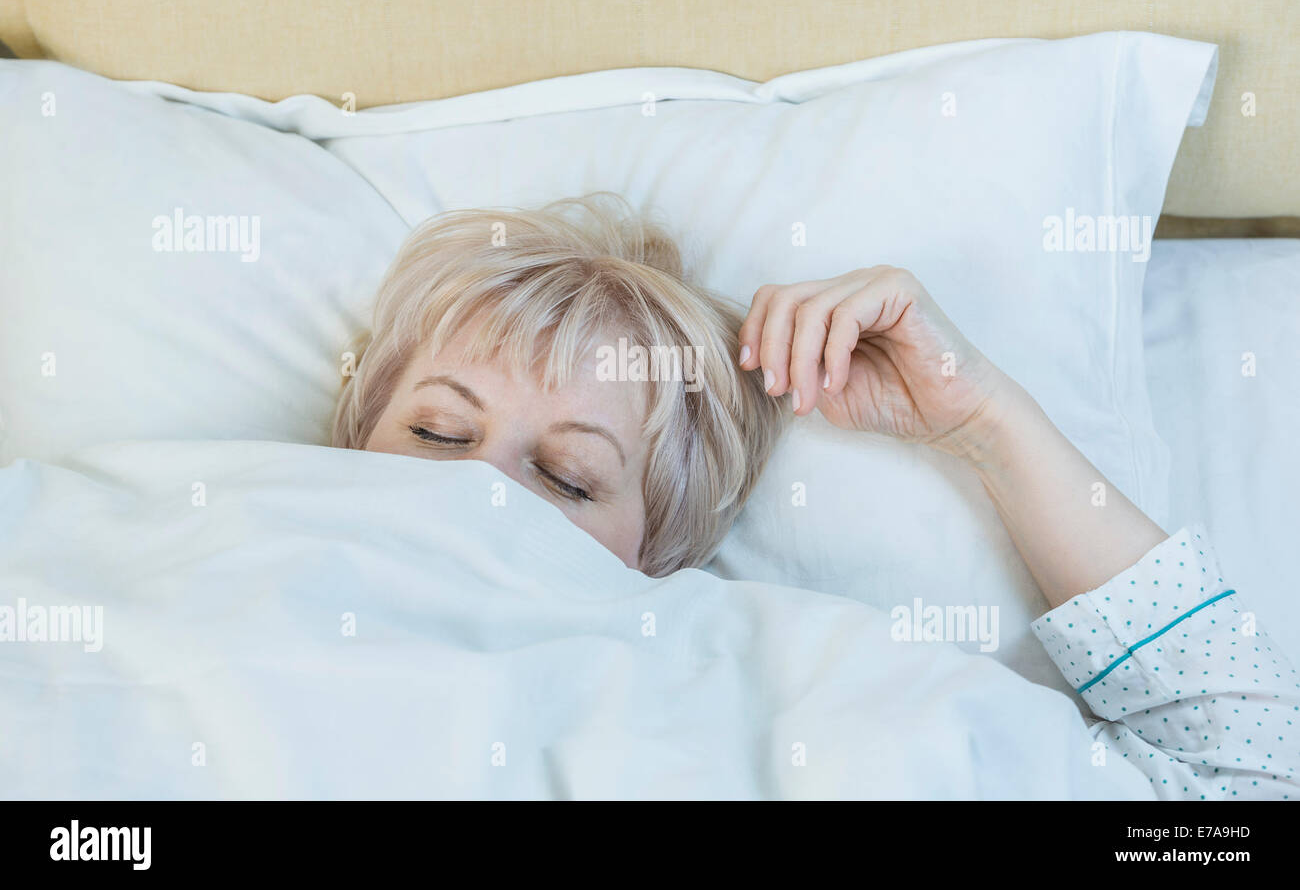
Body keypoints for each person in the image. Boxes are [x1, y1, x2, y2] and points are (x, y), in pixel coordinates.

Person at [335, 192, 1298, 799]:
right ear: (352, 439)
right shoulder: (203, 567)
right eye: (437, 433)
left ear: (655, 552)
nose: (479, 491)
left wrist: (986, 421)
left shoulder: (793, 698)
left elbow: (1248, 791)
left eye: (568, 478)